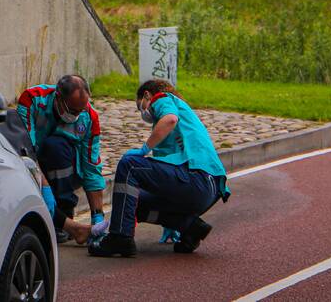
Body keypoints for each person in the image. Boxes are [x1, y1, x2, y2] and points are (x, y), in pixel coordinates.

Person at [88, 79, 231, 258]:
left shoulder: (162, 98)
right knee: (134, 202)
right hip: (210, 190)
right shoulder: (184, 117)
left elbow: (170, 119)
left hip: (196, 178)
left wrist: (144, 149)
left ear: (147, 95)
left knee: (129, 165)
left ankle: (120, 237)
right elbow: (164, 180)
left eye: (140, 105)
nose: (143, 111)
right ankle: (190, 227)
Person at [16, 74, 105, 243]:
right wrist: (45, 188)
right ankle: (71, 227)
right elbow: (26, 151)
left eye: (82, 110)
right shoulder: (32, 100)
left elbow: (91, 167)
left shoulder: (89, 117)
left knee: (56, 147)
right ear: (58, 97)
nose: (77, 115)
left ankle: (65, 215)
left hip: (64, 167)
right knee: (49, 149)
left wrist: (98, 215)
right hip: (29, 163)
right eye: (73, 110)